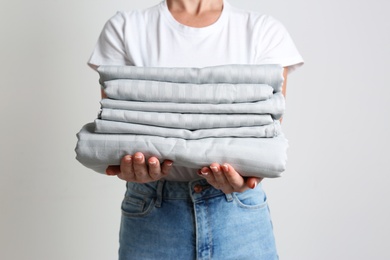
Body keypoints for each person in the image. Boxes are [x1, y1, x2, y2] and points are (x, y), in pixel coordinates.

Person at [87, 0, 303, 259]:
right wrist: (131, 166)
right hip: (152, 215)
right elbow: (118, 128)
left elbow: (267, 136)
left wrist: (249, 176)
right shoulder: (125, 28)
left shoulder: (263, 30)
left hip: (239, 219)